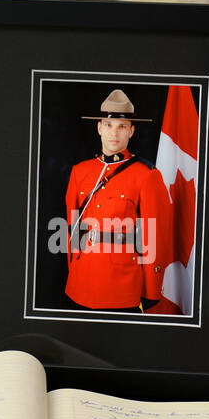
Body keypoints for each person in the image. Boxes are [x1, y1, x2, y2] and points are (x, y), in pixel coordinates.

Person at [64, 89, 173, 311]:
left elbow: (154, 236)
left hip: (121, 287)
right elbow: (72, 226)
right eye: (109, 125)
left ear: (131, 131)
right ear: (99, 128)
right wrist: (73, 268)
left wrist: (151, 291)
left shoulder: (147, 175)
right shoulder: (79, 171)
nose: (114, 133)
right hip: (80, 282)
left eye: (122, 126)